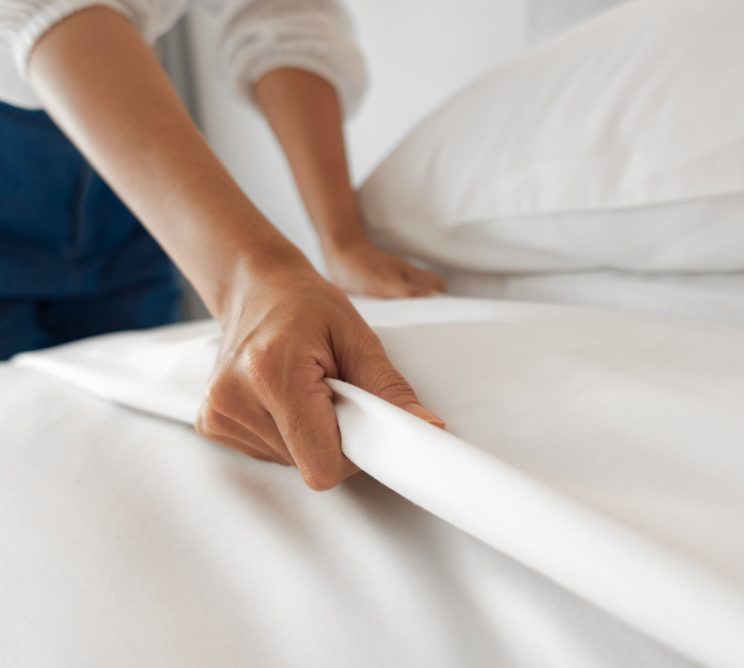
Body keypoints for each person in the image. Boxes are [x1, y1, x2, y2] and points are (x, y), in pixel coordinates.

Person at [0, 0, 445, 490]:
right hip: (64, 114)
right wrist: (252, 278)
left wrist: (342, 240)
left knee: (125, 447)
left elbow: (280, 13)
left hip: (123, 193)